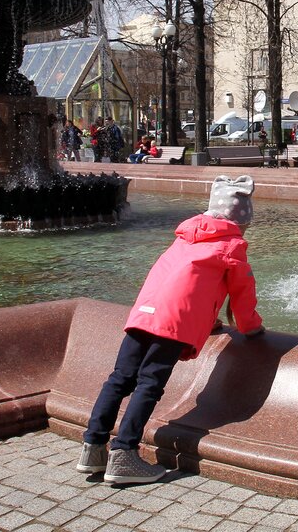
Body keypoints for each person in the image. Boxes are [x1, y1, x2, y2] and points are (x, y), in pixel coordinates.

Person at [75, 175, 264, 484]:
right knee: (149, 383)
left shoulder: (186, 236)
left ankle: (93, 448)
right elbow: (242, 301)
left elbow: (189, 284)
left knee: (120, 378)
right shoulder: (232, 246)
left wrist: (207, 322)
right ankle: (123, 454)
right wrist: (252, 329)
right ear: (240, 222)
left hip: (144, 314)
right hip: (173, 324)